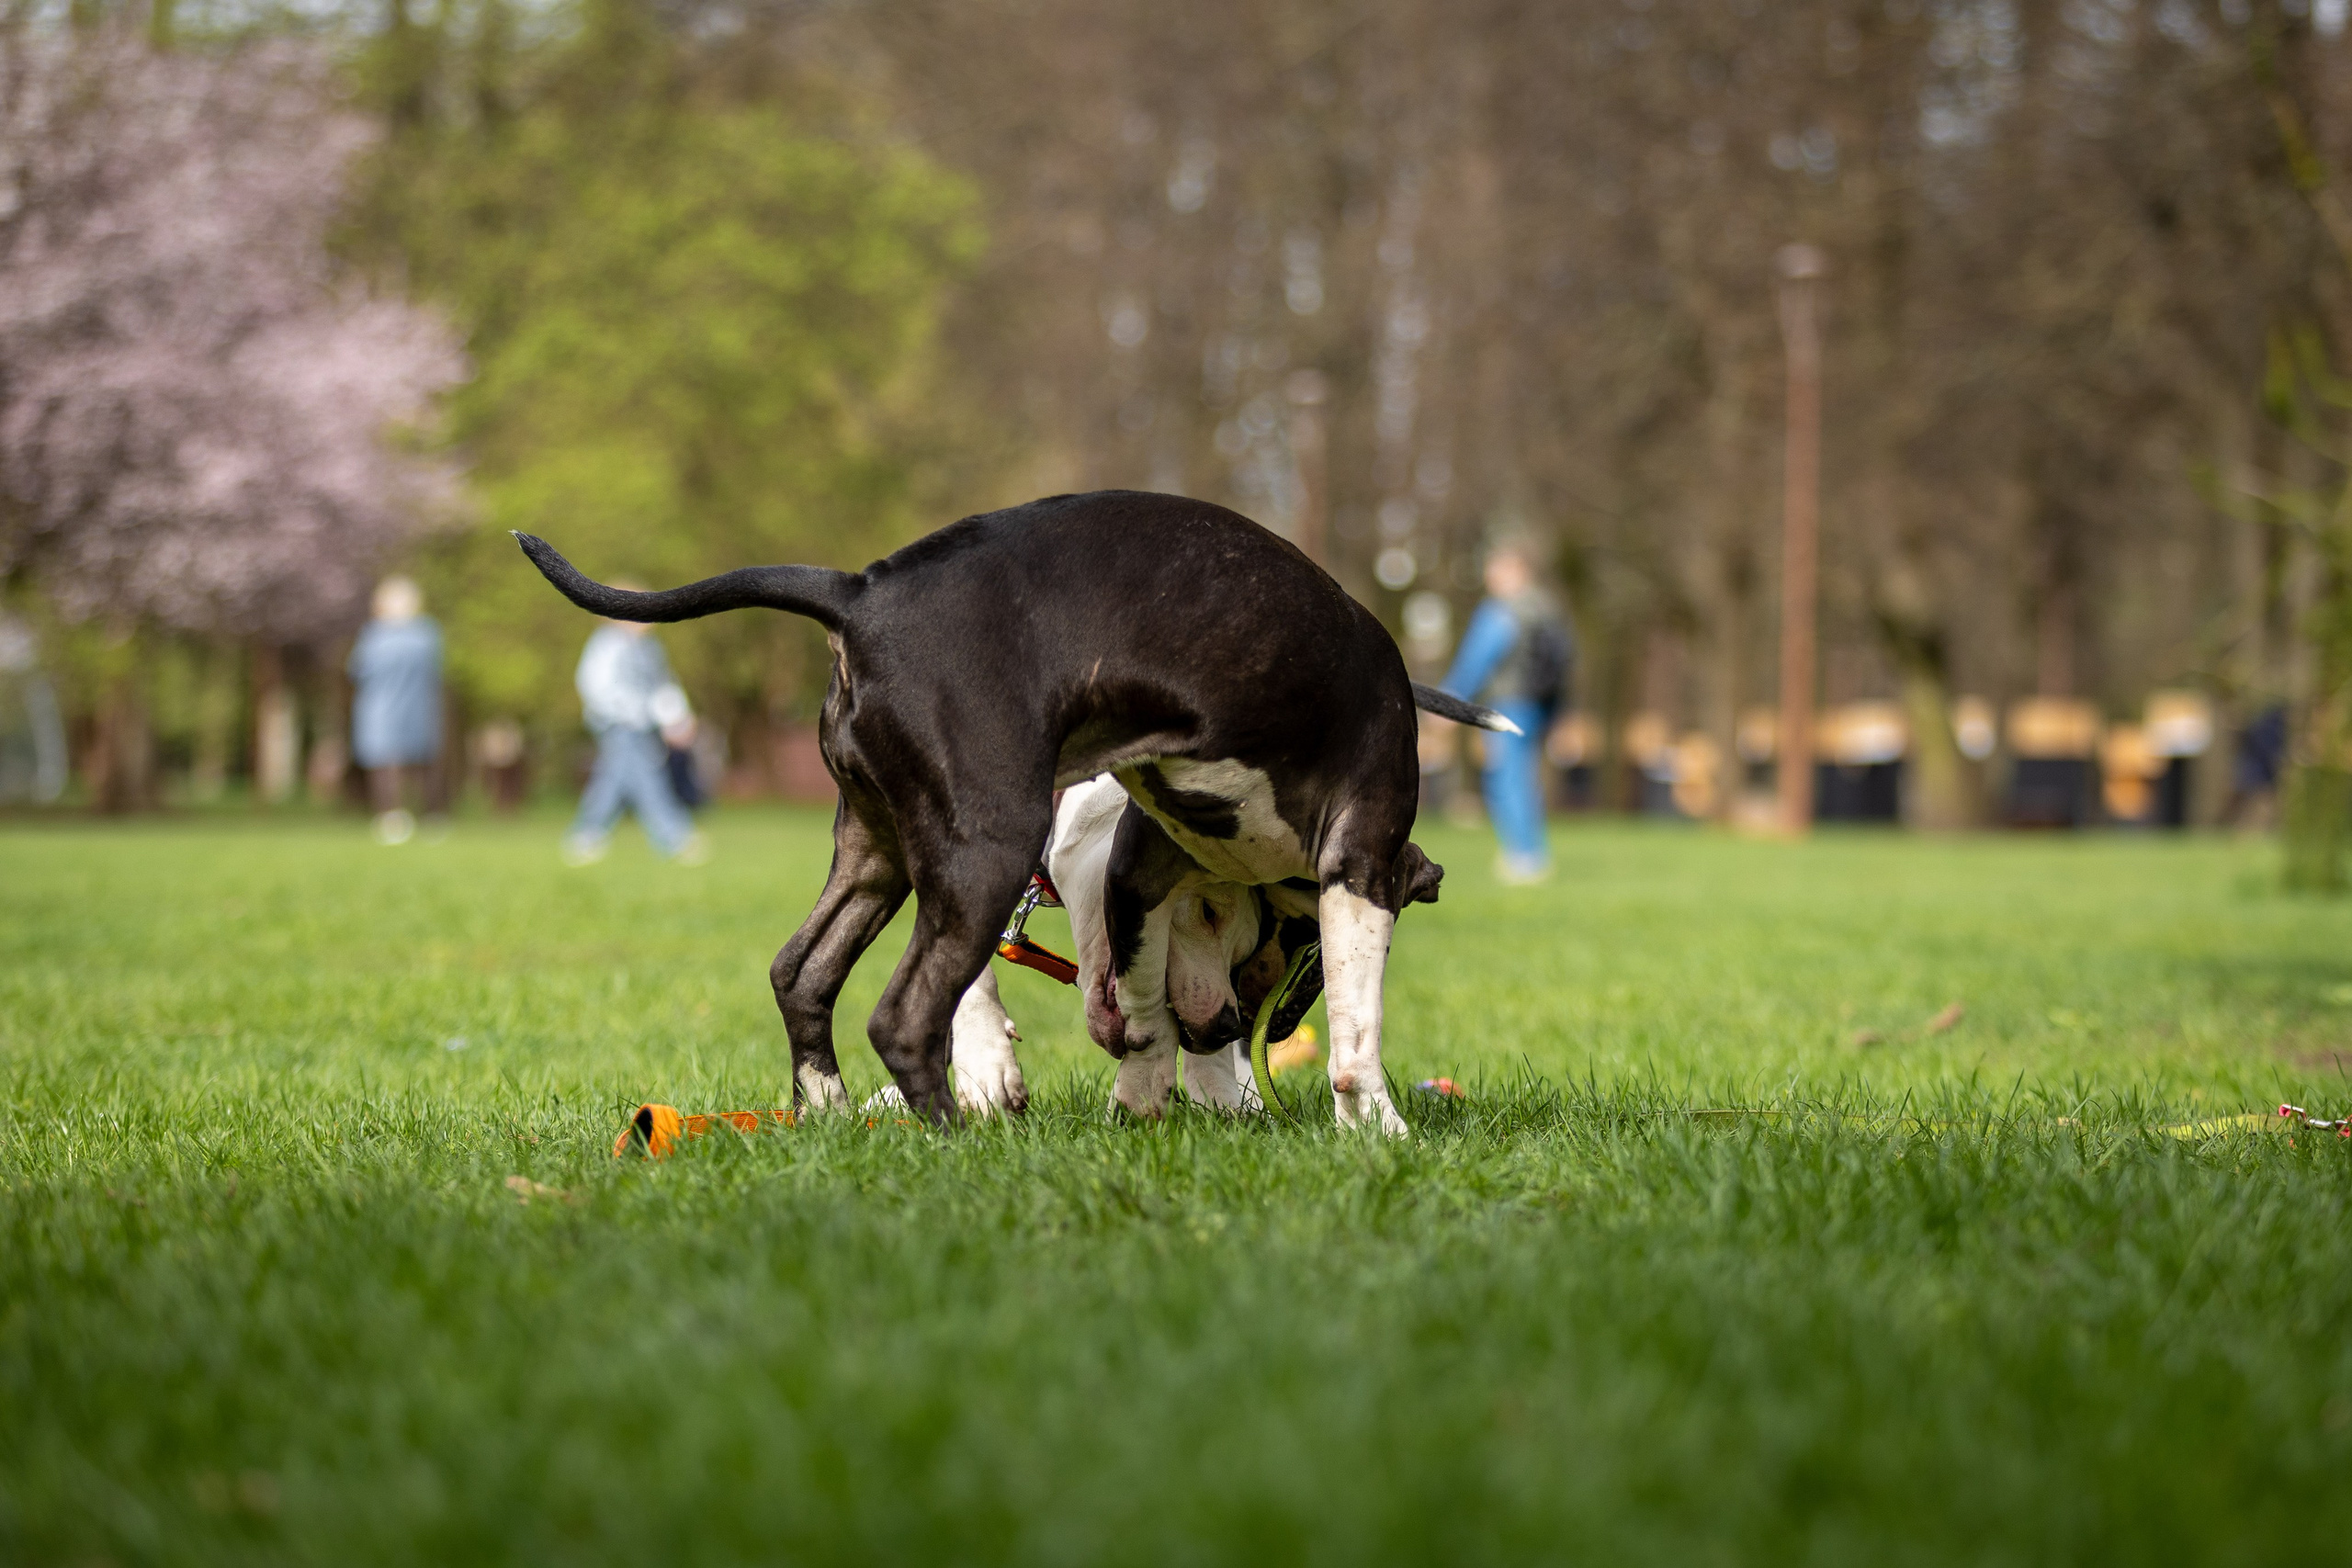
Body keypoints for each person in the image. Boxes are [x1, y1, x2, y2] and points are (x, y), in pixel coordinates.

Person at [1438, 537, 1573, 885]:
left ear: (1513, 570)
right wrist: (1561, 715)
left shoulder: (1500, 612)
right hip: (1540, 706)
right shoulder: (1547, 608)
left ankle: (1523, 856)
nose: (1489, 578)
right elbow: (1565, 663)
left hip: (1507, 706)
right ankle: (1531, 851)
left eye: (1494, 570)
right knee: (1525, 778)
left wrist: (1448, 703)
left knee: (1505, 777)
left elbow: (1475, 662)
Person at [563, 608, 708, 866]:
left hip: (642, 725)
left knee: (614, 778)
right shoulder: (606, 644)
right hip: (617, 723)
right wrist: (623, 710)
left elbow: (662, 686)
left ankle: (587, 834)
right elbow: (594, 683)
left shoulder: (649, 648)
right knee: (646, 779)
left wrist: (678, 719)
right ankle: (674, 836)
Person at [348, 577, 444, 845]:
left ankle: (400, 818)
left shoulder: (375, 636)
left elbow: (357, 671)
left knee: (398, 763)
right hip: (409, 706)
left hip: (385, 708)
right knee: (405, 763)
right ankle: (414, 817)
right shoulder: (427, 634)